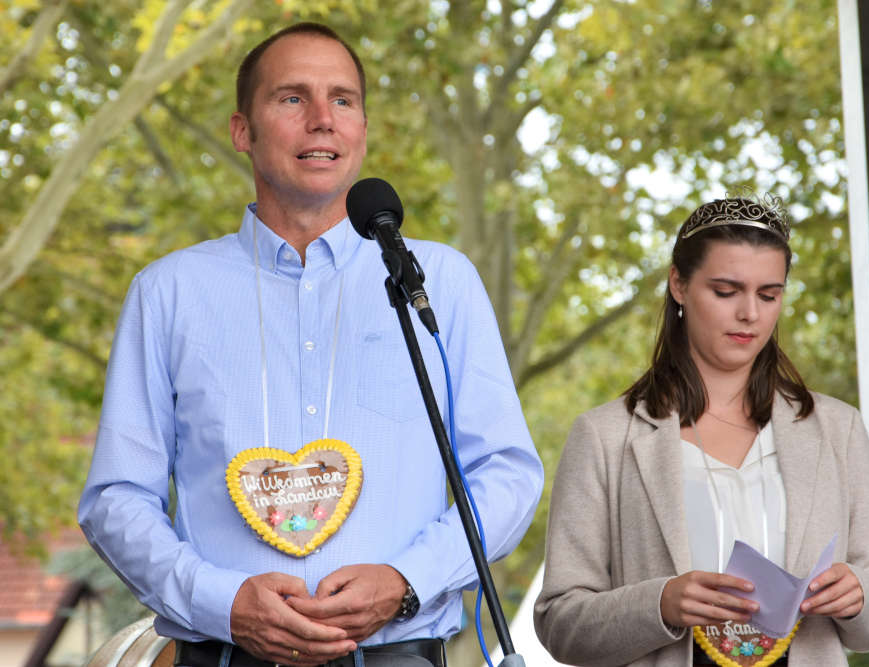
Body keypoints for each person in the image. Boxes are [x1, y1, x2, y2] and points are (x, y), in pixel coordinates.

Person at [78, 22, 543, 667]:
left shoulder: (440, 281)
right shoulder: (168, 293)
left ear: (361, 127)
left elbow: (506, 475)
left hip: (399, 654)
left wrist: (407, 583)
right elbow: (116, 499)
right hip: (222, 654)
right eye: (292, 98)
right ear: (244, 131)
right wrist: (223, 602)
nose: (323, 119)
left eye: (343, 100)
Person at [533, 195, 869, 666]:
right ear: (679, 285)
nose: (750, 313)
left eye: (769, 294)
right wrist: (661, 603)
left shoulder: (837, 429)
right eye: (727, 291)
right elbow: (558, 621)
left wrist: (859, 594)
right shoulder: (604, 437)